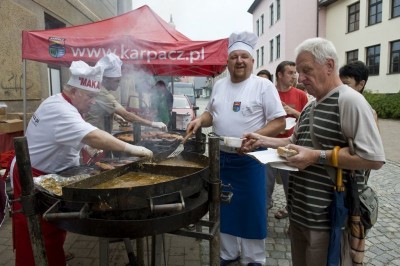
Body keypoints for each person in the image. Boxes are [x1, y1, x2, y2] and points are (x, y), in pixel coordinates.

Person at [242, 37, 385, 266]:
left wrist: (316, 156)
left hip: (327, 220)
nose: (301, 78)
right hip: (300, 215)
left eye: (306, 70)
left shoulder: (350, 101)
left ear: (329, 66)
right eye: (298, 72)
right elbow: (294, 141)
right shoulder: (311, 104)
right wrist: (262, 140)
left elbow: (373, 158)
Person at [10, 61, 153, 266]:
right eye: (90, 96)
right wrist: (132, 149)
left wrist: (84, 147)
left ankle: (54, 256)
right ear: (74, 91)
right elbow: (94, 136)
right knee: (38, 232)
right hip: (32, 173)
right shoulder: (60, 109)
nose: (93, 102)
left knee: (54, 226)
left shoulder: (61, 102)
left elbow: (63, 135)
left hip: (48, 172)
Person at [186, 31, 286, 266]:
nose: (239, 61)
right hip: (221, 158)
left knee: (252, 209)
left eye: (244, 56)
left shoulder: (263, 86)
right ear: (228, 61)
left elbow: (279, 122)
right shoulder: (220, 85)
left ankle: (254, 258)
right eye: (234, 57)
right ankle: (228, 254)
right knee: (224, 208)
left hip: (251, 158)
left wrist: (258, 136)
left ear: (252, 60)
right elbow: (212, 113)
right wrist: (200, 120)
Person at [266, 61, 308, 218]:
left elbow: (308, 119)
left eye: (295, 73)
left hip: (290, 148)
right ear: (280, 75)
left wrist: (292, 111)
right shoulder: (269, 93)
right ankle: (264, 210)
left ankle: (292, 213)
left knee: (291, 186)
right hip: (268, 146)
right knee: (265, 185)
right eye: (290, 73)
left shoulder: (300, 95)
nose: (294, 76)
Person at [85, 53, 167, 133]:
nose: (119, 83)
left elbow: (100, 108)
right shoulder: (101, 92)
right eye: (116, 81)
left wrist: (116, 116)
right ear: (106, 79)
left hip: (99, 135)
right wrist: (153, 124)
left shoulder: (100, 89)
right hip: (93, 137)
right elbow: (126, 115)